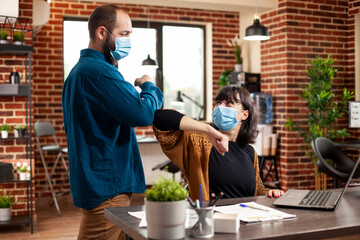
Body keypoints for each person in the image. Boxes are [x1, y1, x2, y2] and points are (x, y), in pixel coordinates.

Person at [62, 4, 163, 240]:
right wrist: (149, 85)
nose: (128, 40)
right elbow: (143, 114)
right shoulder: (99, 72)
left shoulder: (79, 72)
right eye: (124, 34)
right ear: (101, 33)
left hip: (97, 184)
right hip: (107, 188)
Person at [153, 85, 283, 201]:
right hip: (211, 221)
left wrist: (270, 192)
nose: (220, 107)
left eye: (229, 103)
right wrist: (208, 130)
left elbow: (257, 190)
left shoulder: (249, 151)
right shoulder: (198, 141)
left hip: (245, 219)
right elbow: (160, 118)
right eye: (218, 103)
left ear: (244, 115)